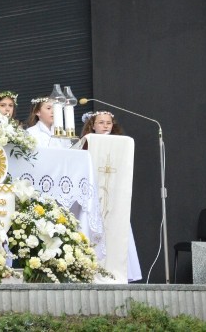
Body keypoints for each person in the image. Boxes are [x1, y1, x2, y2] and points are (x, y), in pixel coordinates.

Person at [80, 110, 141, 282]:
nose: (105, 125)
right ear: (93, 125)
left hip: (114, 196)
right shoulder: (88, 142)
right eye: (101, 122)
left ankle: (118, 270)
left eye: (108, 122)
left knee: (116, 228)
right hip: (94, 194)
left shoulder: (121, 144)